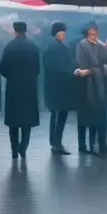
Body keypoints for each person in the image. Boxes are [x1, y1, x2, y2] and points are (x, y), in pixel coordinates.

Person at [0, 21, 41, 161]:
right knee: (26, 121)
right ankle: (23, 147)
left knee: (13, 122)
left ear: (15, 30)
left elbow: (2, 68)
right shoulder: (33, 47)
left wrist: (11, 76)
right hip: (29, 88)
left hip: (13, 88)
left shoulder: (9, 47)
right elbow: (37, 70)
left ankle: (14, 150)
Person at [43, 21, 80, 155]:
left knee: (56, 116)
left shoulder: (53, 47)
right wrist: (73, 72)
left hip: (55, 89)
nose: (63, 35)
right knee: (59, 116)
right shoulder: (56, 49)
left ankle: (55, 142)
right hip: (59, 89)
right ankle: (56, 143)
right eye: (61, 33)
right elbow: (60, 68)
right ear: (56, 34)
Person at [75, 22, 107, 154]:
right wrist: (94, 69)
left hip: (100, 86)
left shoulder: (101, 46)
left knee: (100, 115)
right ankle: (84, 144)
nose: (94, 37)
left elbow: (105, 63)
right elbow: (82, 64)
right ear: (86, 34)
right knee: (85, 118)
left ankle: (100, 143)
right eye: (91, 35)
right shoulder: (82, 45)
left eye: (95, 34)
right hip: (86, 87)